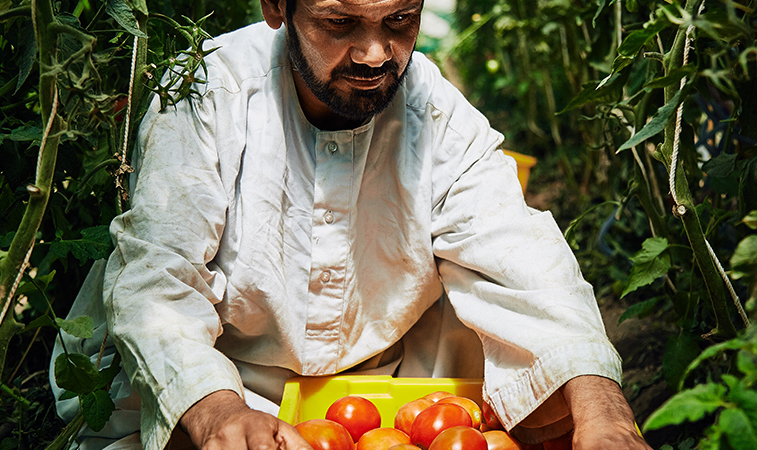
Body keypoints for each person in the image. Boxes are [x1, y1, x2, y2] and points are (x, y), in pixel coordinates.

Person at [51, 0, 653, 449]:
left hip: (397, 389)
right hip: (229, 382)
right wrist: (217, 413)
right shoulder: (207, 93)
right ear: (276, 7)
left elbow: (521, 257)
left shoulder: (438, 114)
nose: (373, 56)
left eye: (399, 22)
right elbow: (159, 276)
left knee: (556, 387)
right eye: (340, 24)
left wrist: (607, 414)